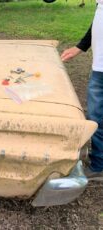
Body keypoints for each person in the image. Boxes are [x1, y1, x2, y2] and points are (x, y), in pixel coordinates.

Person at [61, 3, 103, 180]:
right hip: (99, 69)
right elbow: (98, 21)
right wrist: (80, 47)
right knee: (96, 118)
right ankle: (99, 164)